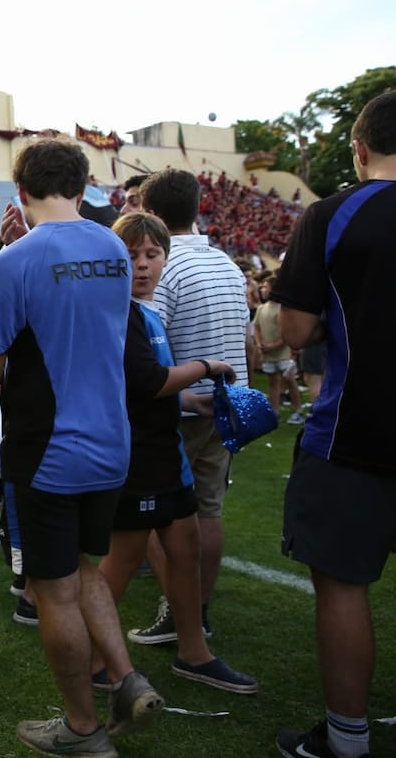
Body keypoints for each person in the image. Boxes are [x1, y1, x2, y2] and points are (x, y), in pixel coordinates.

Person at [0, 139, 161, 756]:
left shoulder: (14, 262)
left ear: (19, 189)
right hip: (112, 442)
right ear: (85, 183)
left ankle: (83, 729)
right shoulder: (114, 246)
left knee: (52, 589)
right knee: (83, 569)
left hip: (48, 449)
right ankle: (127, 678)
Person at [272, 90, 396, 758]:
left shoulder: (334, 212)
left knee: (344, 586)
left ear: (358, 148)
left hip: (358, 433)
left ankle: (348, 740)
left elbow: (294, 327)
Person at [98, 212, 257, 695]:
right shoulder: (119, 311)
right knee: (118, 566)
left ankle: (194, 653)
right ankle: (92, 662)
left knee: (184, 554)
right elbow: (146, 382)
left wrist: (188, 398)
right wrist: (208, 366)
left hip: (168, 454)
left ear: (167, 258)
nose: (142, 265)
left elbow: (150, 385)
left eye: (152, 255)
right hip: (138, 458)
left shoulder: (147, 311)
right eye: (131, 255)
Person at [127, 168, 248, 646]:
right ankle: (197, 610)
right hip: (225, 403)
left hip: (177, 408)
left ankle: (177, 610)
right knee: (210, 510)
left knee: (163, 516)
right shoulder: (229, 264)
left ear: (151, 215)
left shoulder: (169, 267)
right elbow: (244, 338)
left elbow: (151, 346)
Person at [253, 273, 304, 424]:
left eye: (265, 287)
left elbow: (286, 332)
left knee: (289, 381)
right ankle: (275, 411)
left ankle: (298, 410)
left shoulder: (282, 309)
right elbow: (256, 327)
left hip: (283, 353)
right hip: (268, 353)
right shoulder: (261, 308)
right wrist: (259, 343)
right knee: (272, 382)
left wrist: (273, 345)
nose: (262, 290)